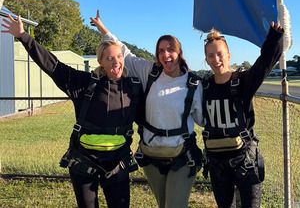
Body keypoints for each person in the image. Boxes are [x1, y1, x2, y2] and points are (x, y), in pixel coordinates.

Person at [1, 15, 144, 208]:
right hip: (83, 162)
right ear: (101, 61)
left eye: (119, 57)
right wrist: (23, 36)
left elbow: (150, 117)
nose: (116, 62)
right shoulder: (84, 83)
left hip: (118, 163)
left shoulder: (133, 87)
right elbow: (53, 65)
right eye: (109, 58)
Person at [90, 13, 203, 208]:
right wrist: (102, 28)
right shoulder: (149, 72)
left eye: (170, 50)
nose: (166, 55)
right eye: (161, 51)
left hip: (182, 155)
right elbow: (123, 52)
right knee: (163, 204)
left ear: (179, 52)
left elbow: (204, 119)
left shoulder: (193, 84)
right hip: (151, 154)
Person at [201, 22, 284, 208]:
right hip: (217, 163)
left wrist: (274, 37)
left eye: (220, 54)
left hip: (245, 161)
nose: (216, 59)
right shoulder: (203, 86)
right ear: (206, 60)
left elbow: (265, 63)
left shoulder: (243, 81)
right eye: (210, 55)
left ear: (229, 55)